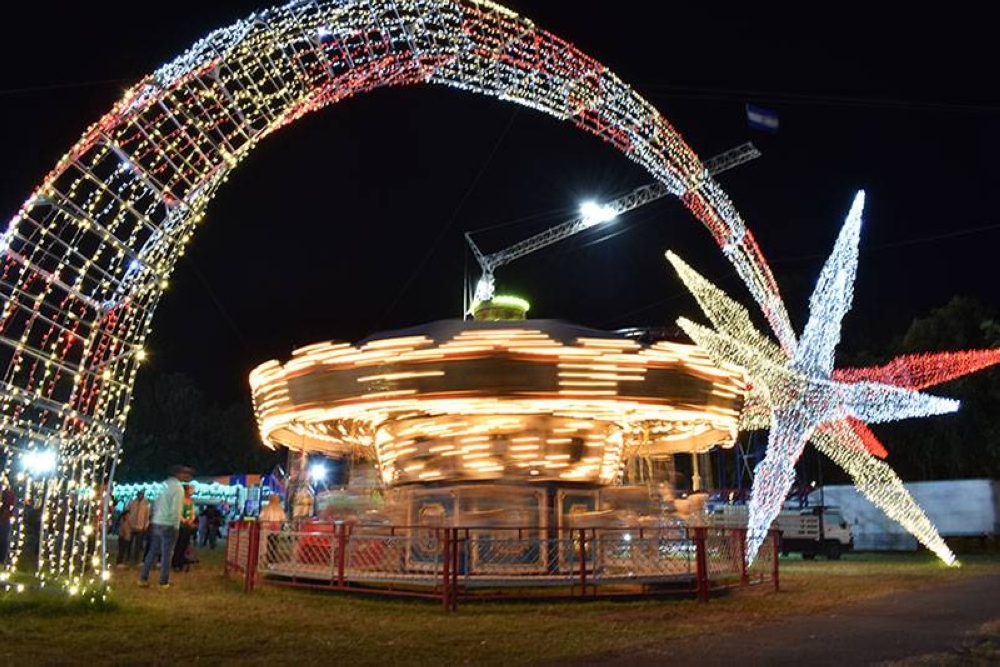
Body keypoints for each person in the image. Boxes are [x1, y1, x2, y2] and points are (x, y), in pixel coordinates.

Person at [138, 465, 192, 589]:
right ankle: (163, 581)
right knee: (167, 553)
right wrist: (176, 524)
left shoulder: (163, 485)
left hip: (157, 521)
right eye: (186, 473)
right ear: (179, 474)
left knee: (153, 551)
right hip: (169, 524)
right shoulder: (178, 488)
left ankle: (143, 577)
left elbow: (155, 503)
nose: (188, 476)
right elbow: (176, 509)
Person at [171, 483, 196, 572]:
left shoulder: (191, 501)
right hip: (180, 526)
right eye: (190, 489)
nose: (191, 491)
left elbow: (193, 513)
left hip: (188, 526)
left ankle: (181, 562)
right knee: (179, 545)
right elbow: (178, 513)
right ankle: (175, 563)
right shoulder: (180, 500)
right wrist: (185, 521)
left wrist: (191, 520)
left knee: (185, 545)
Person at [126, 490, 151, 564]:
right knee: (129, 542)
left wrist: (146, 525)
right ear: (137, 495)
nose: (140, 496)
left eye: (142, 495)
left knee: (138, 544)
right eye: (139, 495)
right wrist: (128, 522)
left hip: (140, 526)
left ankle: (136, 558)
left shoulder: (146, 504)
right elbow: (127, 512)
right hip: (132, 525)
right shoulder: (132, 502)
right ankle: (128, 557)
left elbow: (147, 516)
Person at [0, 474, 15, 565]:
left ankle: (2, 559)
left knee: (3, 539)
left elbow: (9, 506)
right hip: (4, 519)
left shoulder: (8, 494)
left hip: (4, 520)